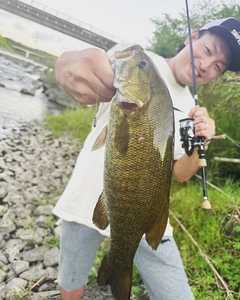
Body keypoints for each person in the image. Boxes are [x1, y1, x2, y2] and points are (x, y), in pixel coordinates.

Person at [52, 17, 240, 300]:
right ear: (193, 35)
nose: (205, 65)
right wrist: (66, 64)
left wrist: (201, 143)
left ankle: (120, 262)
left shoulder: (193, 109)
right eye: (209, 50)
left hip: (145, 212)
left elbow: (181, 174)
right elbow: (82, 65)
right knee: (71, 280)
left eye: (218, 67)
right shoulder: (139, 60)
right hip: (85, 200)